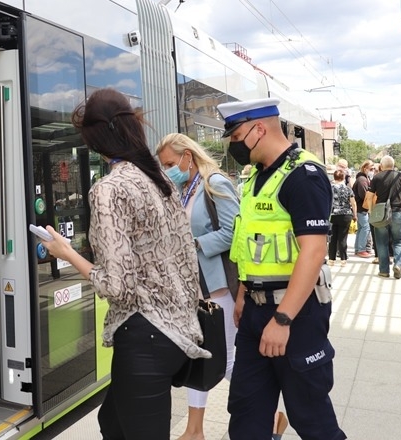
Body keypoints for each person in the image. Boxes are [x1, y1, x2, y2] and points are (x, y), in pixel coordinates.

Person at [40, 88, 209, 439]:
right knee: (112, 424)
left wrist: (66, 253)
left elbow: (116, 286)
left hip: (146, 336)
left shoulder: (109, 189)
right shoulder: (160, 180)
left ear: (95, 139)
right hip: (179, 328)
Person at [216, 98, 346, 440]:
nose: (233, 145)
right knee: (246, 416)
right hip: (256, 312)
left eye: (236, 135)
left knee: (312, 418)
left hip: (296, 314)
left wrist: (283, 319)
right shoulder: (254, 179)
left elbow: (314, 251)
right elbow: (250, 247)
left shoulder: (303, 176)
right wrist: (244, 295)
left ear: (259, 129)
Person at [156, 133, 243, 440]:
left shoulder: (214, 184)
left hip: (216, 287)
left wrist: (191, 244)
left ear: (187, 157)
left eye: (169, 163)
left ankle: (270, 413)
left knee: (227, 359)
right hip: (193, 289)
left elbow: (234, 233)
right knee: (199, 356)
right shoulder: (183, 189)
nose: (167, 169)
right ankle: (195, 430)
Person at [367, 155, 401, 279]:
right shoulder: (400, 176)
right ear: (393, 165)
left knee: (381, 242)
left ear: (381, 166)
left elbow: (369, 196)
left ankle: (384, 270)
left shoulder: (376, 177)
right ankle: (398, 264)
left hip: (381, 213)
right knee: (399, 241)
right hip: (397, 211)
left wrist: (371, 211)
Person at [328, 169, 356, 267]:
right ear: (343, 178)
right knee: (343, 238)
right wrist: (355, 214)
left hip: (333, 215)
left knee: (332, 238)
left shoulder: (329, 188)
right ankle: (343, 259)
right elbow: (353, 202)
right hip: (345, 215)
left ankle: (331, 259)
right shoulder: (348, 189)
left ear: (334, 177)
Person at [352, 160, 374, 258]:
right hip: (362, 208)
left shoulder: (363, 178)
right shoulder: (362, 180)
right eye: (371, 169)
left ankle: (358, 248)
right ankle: (361, 249)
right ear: (365, 168)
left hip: (360, 208)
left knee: (362, 228)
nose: (372, 171)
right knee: (365, 228)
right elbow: (364, 195)